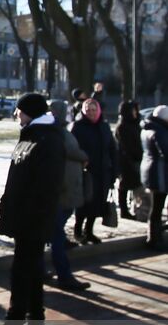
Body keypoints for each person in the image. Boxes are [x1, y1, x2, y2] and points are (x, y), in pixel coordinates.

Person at [0, 93, 66, 325]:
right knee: (30, 271)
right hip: (25, 218)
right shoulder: (32, 133)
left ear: (30, 112)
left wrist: (32, 218)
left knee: (21, 275)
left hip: (33, 219)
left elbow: (47, 186)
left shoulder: (47, 138)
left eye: (19, 111)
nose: (16, 115)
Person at [46, 99, 91, 292]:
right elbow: (70, 151)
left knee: (53, 232)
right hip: (61, 190)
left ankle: (42, 269)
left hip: (65, 189)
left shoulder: (60, 130)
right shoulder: (55, 132)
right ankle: (64, 275)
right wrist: (83, 156)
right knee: (55, 234)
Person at [71, 98, 117, 244]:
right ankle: (78, 231)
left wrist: (115, 170)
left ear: (98, 111)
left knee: (98, 204)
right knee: (84, 202)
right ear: (84, 112)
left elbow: (112, 149)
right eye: (88, 110)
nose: (91, 113)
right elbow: (73, 149)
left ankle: (89, 231)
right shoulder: (78, 127)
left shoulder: (104, 127)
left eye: (93, 110)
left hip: (103, 172)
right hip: (86, 172)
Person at [141, 105, 168, 250]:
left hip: (152, 172)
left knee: (156, 207)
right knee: (157, 208)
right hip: (159, 174)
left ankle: (155, 237)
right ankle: (154, 239)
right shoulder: (159, 131)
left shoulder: (148, 128)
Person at [114, 100, 143, 220]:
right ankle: (124, 210)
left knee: (132, 185)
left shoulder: (135, 124)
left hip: (134, 159)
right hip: (127, 160)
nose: (136, 112)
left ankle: (133, 208)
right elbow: (127, 145)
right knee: (124, 186)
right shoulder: (123, 126)